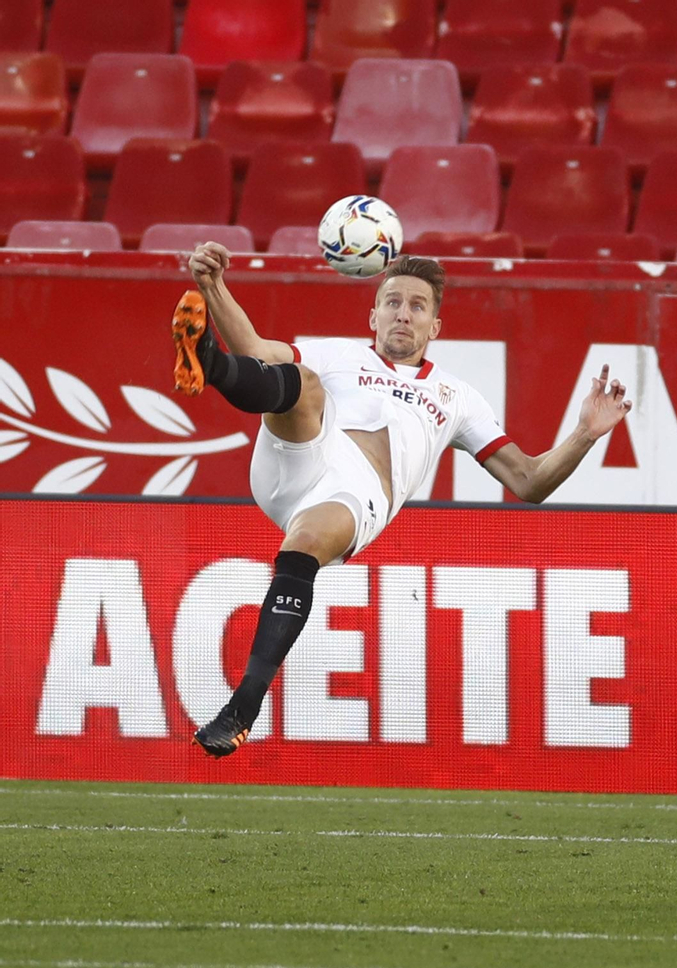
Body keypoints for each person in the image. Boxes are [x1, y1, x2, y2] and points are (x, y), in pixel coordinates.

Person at [174, 243, 633, 757]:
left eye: (418, 306)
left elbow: (528, 480)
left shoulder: (456, 396)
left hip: (356, 493)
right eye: (392, 302)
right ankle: (207, 363)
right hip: (299, 457)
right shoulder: (339, 354)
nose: (403, 313)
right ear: (373, 315)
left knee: (304, 544)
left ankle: (241, 710)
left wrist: (586, 434)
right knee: (300, 382)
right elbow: (258, 349)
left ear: (435, 327)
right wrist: (212, 286)